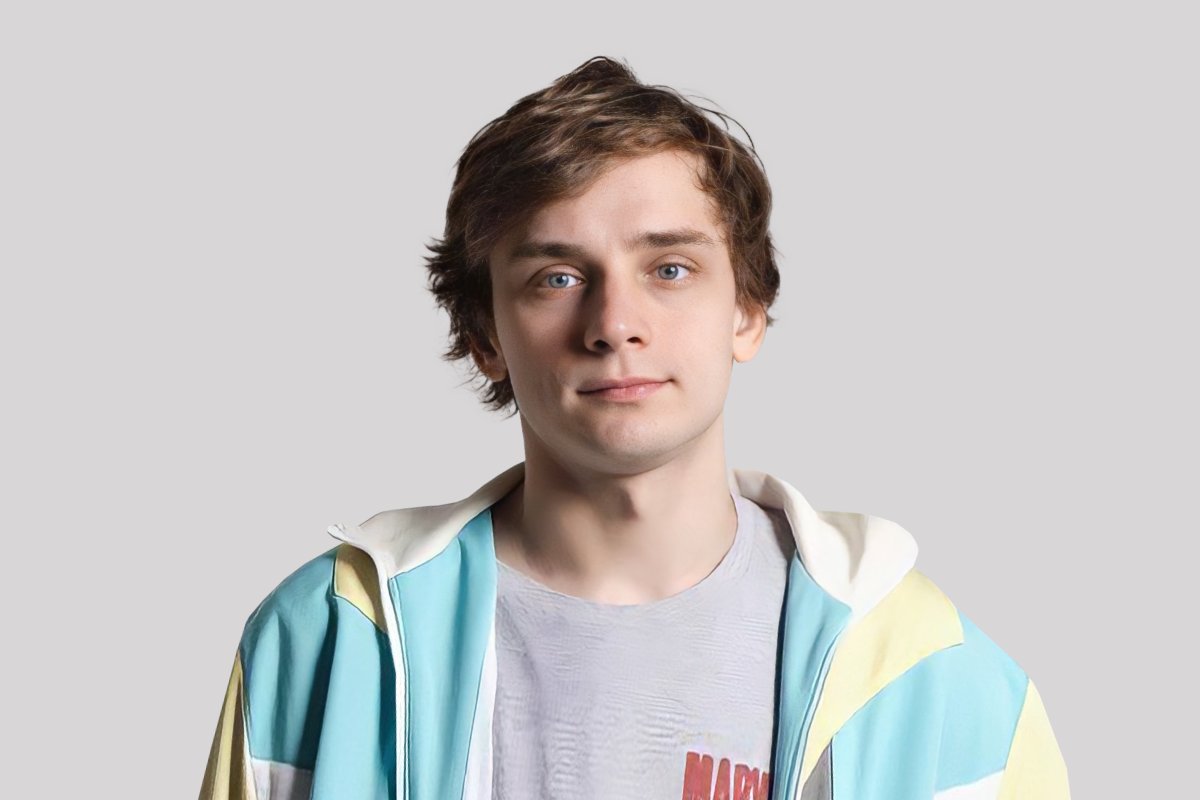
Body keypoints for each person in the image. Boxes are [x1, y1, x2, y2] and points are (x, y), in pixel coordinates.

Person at [200, 56, 1070, 800]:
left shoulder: (932, 672)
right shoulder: (331, 636)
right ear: (485, 336)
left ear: (748, 310)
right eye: (556, 277)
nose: (616, 323)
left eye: (670, 268)